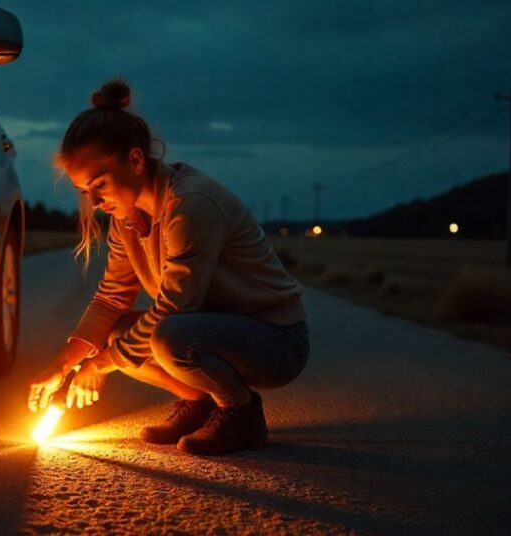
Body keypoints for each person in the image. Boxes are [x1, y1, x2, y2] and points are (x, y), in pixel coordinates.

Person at [26, 79, 310, 456]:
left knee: (169, 336)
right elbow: (111, 298)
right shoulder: (125, 218)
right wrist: (63, 366)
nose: (94, 201)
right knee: (120, 330)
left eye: (100, 185)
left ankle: (241, 414)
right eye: (84, 191)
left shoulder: (191, 204)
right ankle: (203, 402)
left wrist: (100, 365)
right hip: (212, 329)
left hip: (277, 341)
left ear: (135, 160)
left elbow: (176, 308)